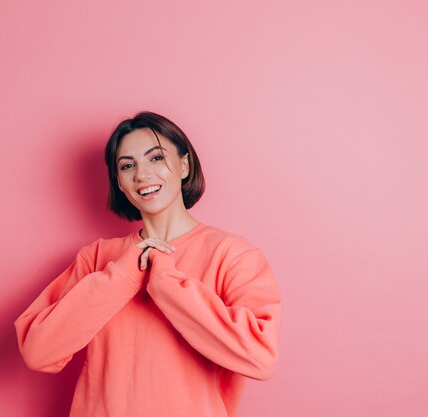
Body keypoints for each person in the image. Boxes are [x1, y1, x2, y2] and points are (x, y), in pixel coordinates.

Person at [14, 111, 283, 417]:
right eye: (127, 166)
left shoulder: (232, 254)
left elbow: (260, 357)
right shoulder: (98, 258)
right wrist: (122, 276)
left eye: (155, 158)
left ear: (184, 165)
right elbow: (38, 352)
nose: (142, 174)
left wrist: (167, 282)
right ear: (121, 183)